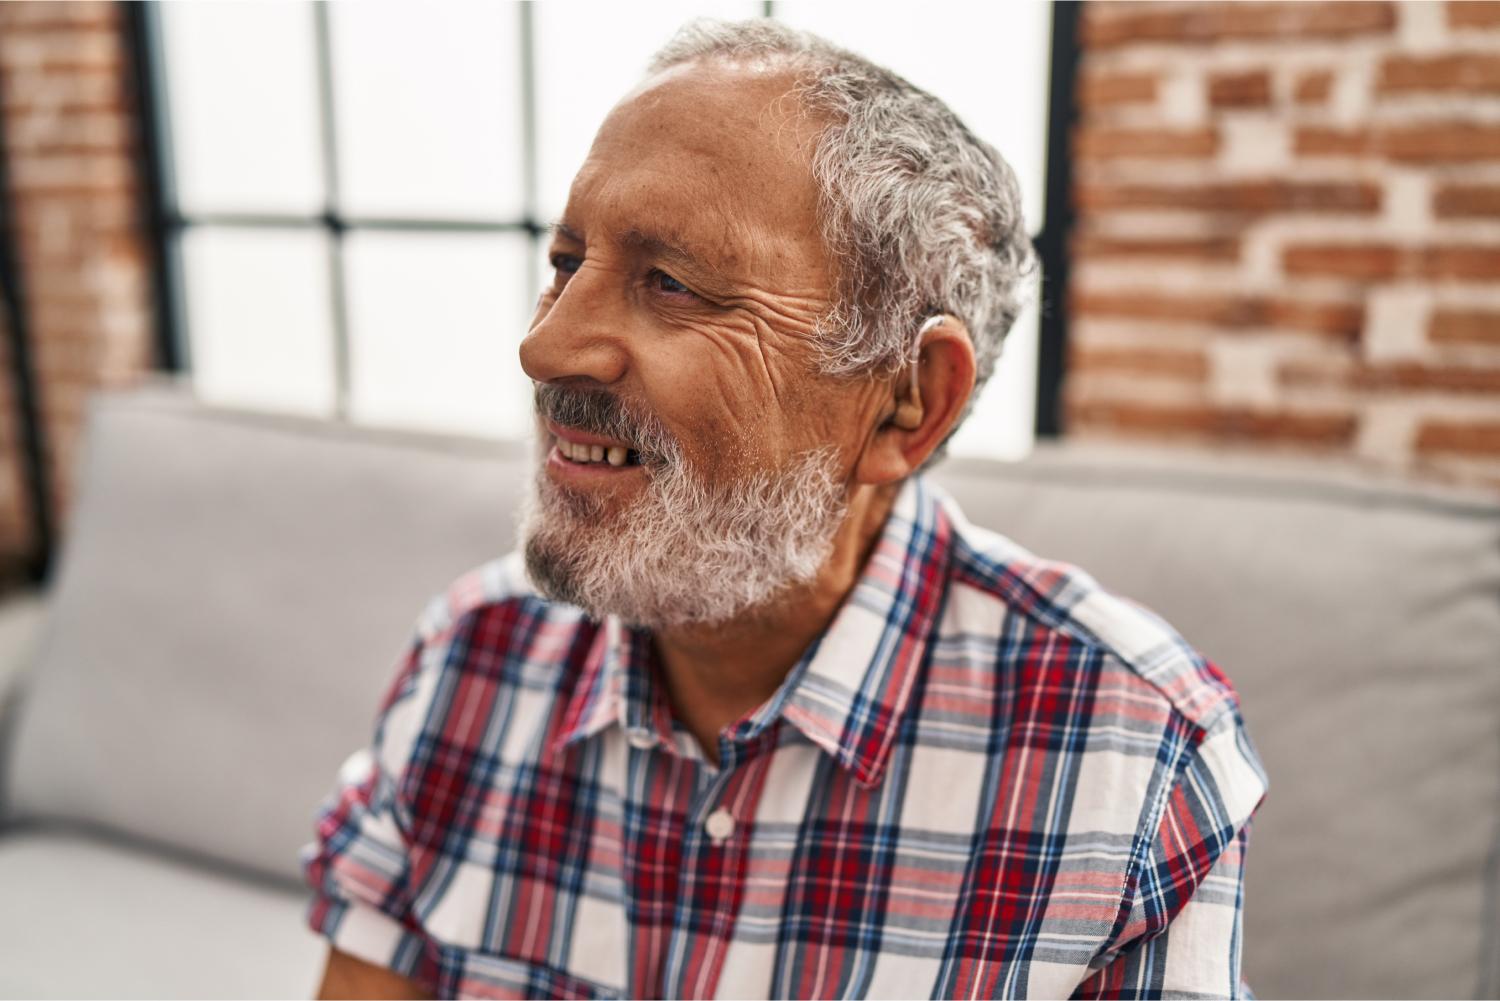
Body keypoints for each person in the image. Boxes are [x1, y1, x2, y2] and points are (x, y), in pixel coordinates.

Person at [302, 18, 1267, 1000]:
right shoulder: (472, 657)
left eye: (669, 282)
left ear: (907, 400)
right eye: (565, 261)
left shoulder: (1132, 753)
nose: (546, 346)